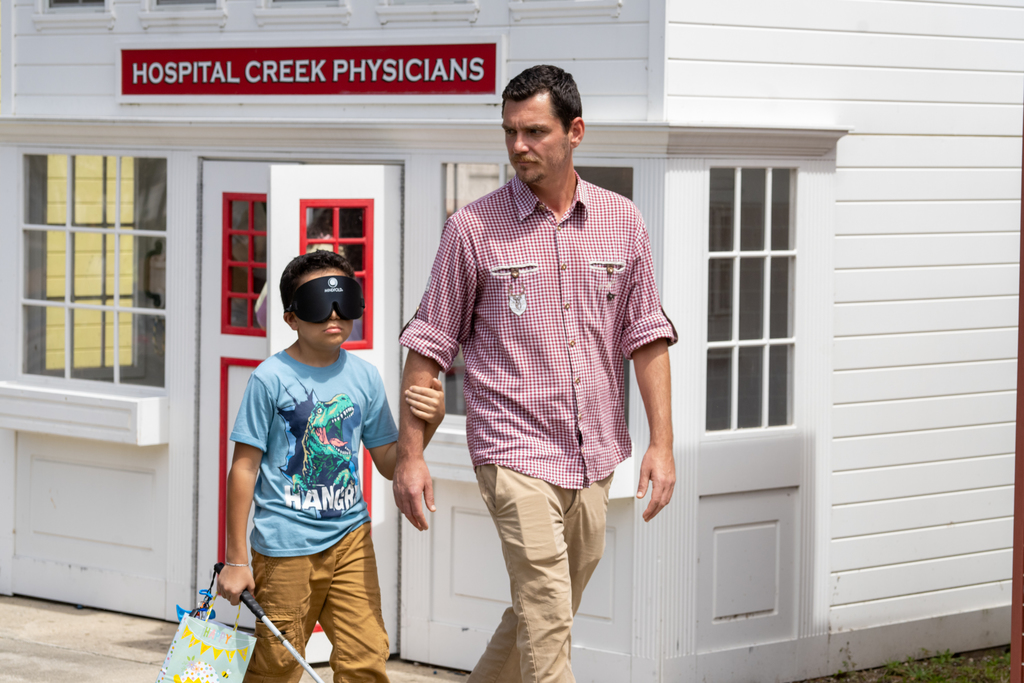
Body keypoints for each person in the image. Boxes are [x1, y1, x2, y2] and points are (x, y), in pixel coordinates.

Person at [394, 64, 677, 683]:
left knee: (543, 610)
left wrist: (662, 443)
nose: (518, 145)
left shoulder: (622, 220)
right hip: (513, 449)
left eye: (534, 131)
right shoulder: (472, 228)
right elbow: (428, 344)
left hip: (595, 452)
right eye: (509, 131)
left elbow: (647, 334)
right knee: (548, 614)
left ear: (575, 131)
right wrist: (410, 456)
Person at [217, 250, 446, 683]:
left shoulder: (365, 377)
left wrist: (428, 423)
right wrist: (235, 560)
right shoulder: (270, 377)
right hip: (285, 547)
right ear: (291, 317)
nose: (334, 314)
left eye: (344, 301)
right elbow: (243, 469)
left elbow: (389, 462)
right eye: (319, 303)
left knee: (366, 658)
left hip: (350, 540)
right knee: (277, 665)